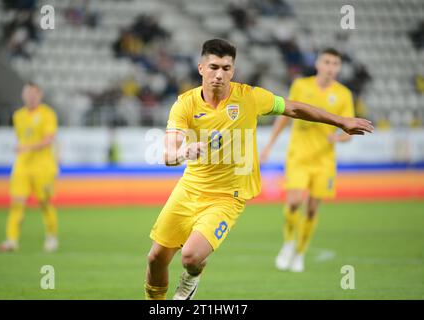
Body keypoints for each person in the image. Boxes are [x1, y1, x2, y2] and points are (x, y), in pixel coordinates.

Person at [145, 40, 372, 300]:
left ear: (233, 70)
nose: (219, 74)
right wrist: (184, 153)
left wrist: (341, 121)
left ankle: (192, 276)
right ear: (201, 68)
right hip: (188, 189)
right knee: (155, 259)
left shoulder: (250, 97)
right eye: (213, 67)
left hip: (227, 196)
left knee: (190, 257)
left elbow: (294, 108)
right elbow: (168, 154)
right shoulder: (184, 104)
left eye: (226, 68)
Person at [260, 48, 355, 272]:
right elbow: (284, 117)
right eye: (327, 62)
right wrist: (268, 146)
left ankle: (300, 253)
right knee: (293, 202)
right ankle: (288, 243)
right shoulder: (301, 86)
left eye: (335, 64)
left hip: (324, 161)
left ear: (339, 68)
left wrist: (339, 137)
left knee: (312, 210)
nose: (331, 67)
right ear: (318, 65)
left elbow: (349, 130)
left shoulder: (343, 95)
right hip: (298, 157)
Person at [0, 83, 59, 253]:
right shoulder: (18, 115)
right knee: (17, 203)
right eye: (27, 93)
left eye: (33, 93)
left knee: (45, 203)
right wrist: (24, 150)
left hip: (43, 166)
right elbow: (22, 138)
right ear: (23, 95)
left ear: (40, 95)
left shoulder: (48, 114)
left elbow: (48, 139)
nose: (30, 96)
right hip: (22, 166)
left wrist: (26, 148)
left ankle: (51, 236)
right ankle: (11, 240)